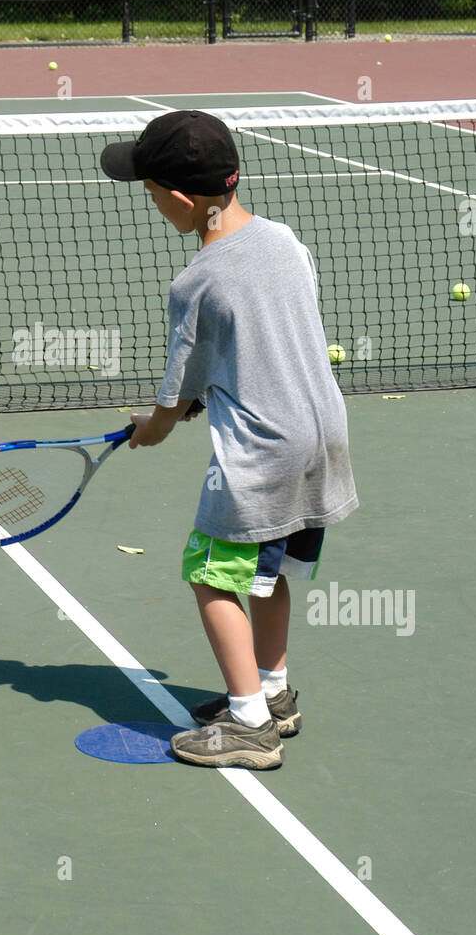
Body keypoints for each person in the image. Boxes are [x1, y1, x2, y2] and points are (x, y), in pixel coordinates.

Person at [99, 111, 358, 770]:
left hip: (262, 452)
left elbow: (168, 405)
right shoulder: (284, 238)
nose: (152, 204)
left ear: (182, 199)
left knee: (209, 575)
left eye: (151, 193)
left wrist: (150, 428)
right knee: (267, 578)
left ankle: (248, 726)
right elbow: (268, 334)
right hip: (322, 436)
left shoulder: (196, 281)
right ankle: (274, 694)